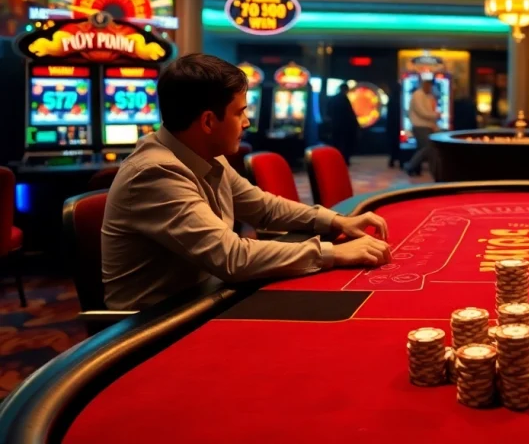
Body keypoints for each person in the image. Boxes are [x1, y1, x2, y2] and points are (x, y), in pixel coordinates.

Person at [102, 54, 392, 311]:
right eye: (240, 112)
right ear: (207, 122)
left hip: (201, 300)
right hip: (154, 328)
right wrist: (335, 253)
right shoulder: (156, 172)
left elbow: (263, 208)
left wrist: (336, 221)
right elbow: (233, 257)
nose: (247, 122)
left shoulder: (204, 154)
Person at [404, 77, 441, 176]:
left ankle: (433, 171)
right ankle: (410, 166)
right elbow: (422, 112)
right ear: (424, 84)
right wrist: (436, 115)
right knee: (426, 148)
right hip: (420, 126)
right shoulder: (418, 95)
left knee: (429, 149)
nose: (430, 87)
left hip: (427, 126)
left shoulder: (427, 96)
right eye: (429, 85)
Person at [327, 84, 360, 165]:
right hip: (345, 127)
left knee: (336, 143)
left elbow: (328, 113)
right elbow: (350, 114)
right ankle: (344, 160)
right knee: (345, 144)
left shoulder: (333, 99)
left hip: (335, 125)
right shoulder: (344, 99)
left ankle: (336, 159)